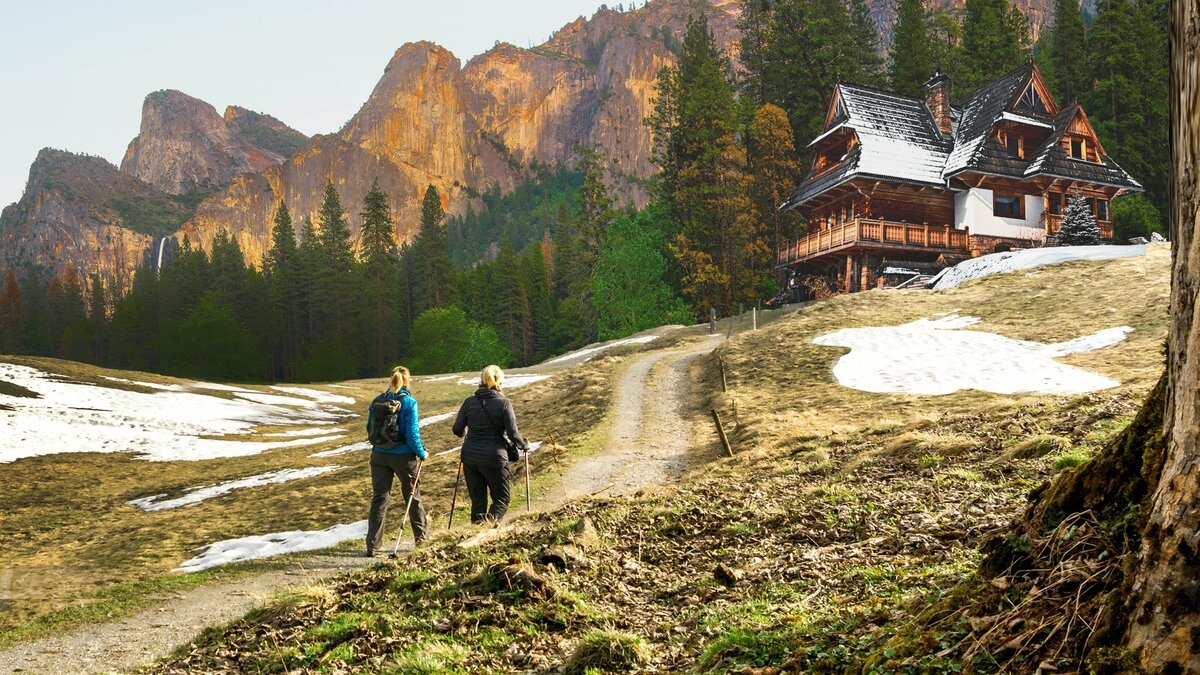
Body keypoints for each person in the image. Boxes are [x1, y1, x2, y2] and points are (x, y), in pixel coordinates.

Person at [452, 364, 528, 524]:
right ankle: (485, 529)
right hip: (494, 457)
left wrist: (469, 430)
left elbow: (457, 430)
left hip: (470, 458)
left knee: (478, 502)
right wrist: (523, 445)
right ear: (499, 382)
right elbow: (513, 434)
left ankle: (475, 532)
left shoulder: (469, 402)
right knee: (501, 500)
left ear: (481, 380)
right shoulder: (504, 403)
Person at [365, 365, 428, 556]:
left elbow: (369, 427)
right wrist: (422, 452)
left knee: (380, 498)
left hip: (379, 454)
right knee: (412, 496)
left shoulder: (378, 400)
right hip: (403, 457)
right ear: (407, 380)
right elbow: (412, 433)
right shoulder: (409, 402)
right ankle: (422, 540)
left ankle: (373, 545)